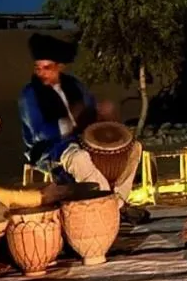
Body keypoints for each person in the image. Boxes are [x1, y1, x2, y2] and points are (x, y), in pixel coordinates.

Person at [17, 33, 144, 220]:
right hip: (49, 150)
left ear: (60, 67)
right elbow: (38, 133)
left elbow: (90, 109)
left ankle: (118, 200)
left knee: (134, 148)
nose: (41, 72)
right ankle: (116, 207)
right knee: (80, 158)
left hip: (79, 140)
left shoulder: (74, 85)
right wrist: (69, 123)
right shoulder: (30, 95)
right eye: (38, 68)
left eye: (47, 67)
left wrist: (101, 112)